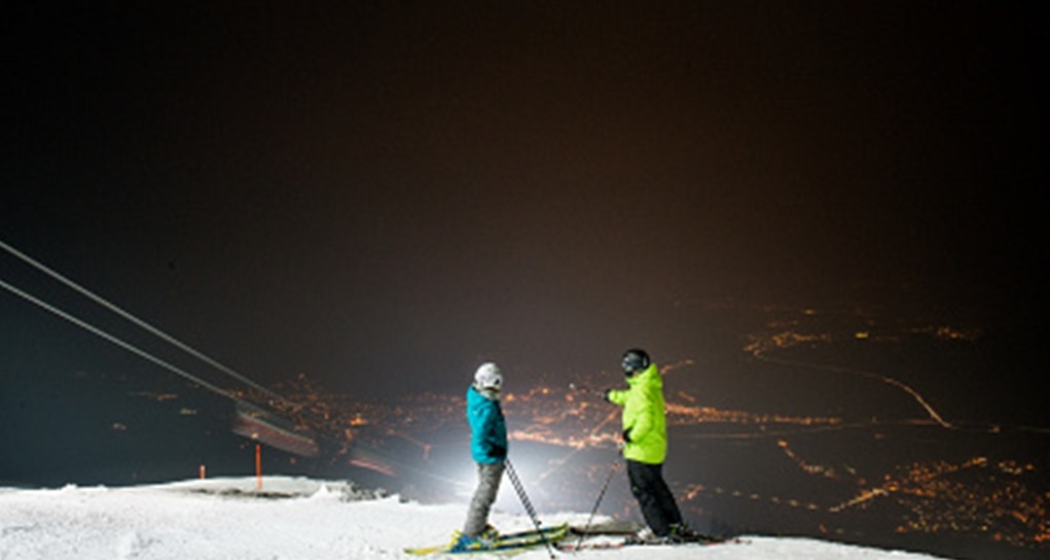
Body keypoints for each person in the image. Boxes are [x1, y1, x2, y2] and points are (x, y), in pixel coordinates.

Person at [603, 348, 696, 543]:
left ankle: (660, 531)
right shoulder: (648, 385)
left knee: (644, 493)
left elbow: (646, 420)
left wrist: (630, 436)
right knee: (659, 489)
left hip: (640, 451)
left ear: (632, 368)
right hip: (654, 450)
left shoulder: (642, 390)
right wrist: (611, 395)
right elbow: (630, 398)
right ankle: (674, 525)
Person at [451, 362, 508, 552]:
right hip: (490, 457)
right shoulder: (488, 406)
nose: (499, 386)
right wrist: (492, 450)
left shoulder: (477, 398)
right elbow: (481, 433)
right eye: (497, 381)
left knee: (484, 493)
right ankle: (472, 534)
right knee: (486, 495)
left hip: (484, 455)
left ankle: (476, 528)